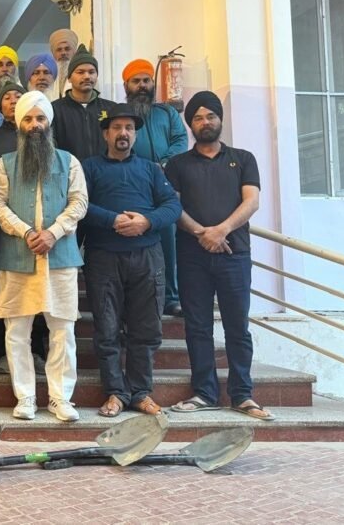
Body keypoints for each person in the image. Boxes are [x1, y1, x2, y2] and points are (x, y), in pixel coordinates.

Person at [166, 91, 273, 421]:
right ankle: (205, 393)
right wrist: (202, 233)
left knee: (237, 327)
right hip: (192, 257)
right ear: (191, 125)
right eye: (198, 118)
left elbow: (252, 201)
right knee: (198, 327)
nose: (205, 122)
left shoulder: (243, 159)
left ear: (220, 119)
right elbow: (173, 207)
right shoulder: (178, 164)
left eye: (210, 116)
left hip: (234, 254)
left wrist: (221, 230)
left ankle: (242, 395)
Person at [0, 91, 89, 421]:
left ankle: (61, 398)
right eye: (29, 119)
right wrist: (26, 232)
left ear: (49, 123)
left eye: (41, 118)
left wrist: (53, 233)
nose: (35, 125)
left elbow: (79, 202)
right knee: (17, 332)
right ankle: (26, 397)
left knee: (63, 331)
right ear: (19, 124)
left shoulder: (69, 161)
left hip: (60, 259)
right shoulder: (4, 164)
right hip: (17, 257)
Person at [81, 103, 181, 417]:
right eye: (117, 128)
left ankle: (140, 392)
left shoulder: (151, 169)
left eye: (129, 128)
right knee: (107, 328)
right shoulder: (89, 168)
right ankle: (115, 392)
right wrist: (112, 220)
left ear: (135, 135)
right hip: (103, 257)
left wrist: (146, 222)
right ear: (106, 134)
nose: (123, 133)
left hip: (147, 256)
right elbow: (79, 205)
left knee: (146, 328)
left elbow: (172, 206)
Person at [0, 81, 49, 376]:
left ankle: (38, 350)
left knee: (41, 295)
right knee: (4, 296)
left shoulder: (46, 141)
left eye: (18, 96)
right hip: (3, 231)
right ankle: (2, 352)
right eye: (7, 97)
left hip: (43, 236)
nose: (12, 101)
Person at [123, 58, 189, 317]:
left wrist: (164, 163)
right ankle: (135, 300)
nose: (142, 85)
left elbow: (180, 139)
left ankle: (171, 297)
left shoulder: (167, 113)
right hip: (133, 186)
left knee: (168, 242)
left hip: (164, 185)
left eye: (146, 80)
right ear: (126, 85)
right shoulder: (122, 114)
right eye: (136, 81)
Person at [51, 45, 114, 161]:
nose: (87, 76)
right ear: (69, 78)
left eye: (91, 72)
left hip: (104, 170)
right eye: (80, 72)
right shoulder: (55, 110)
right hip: (70, 170)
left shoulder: (111, 108)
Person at [0, 45, 20, 110]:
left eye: (9, 65)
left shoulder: (26, 96)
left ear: (16, 69)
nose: (4, 69)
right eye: (0, 65)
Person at [48, 29, 79, 94]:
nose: (63, 53)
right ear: (53, 54)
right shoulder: (48, 76)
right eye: (59, 50)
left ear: (74, 52)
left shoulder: (83, 74)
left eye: (67, 49)